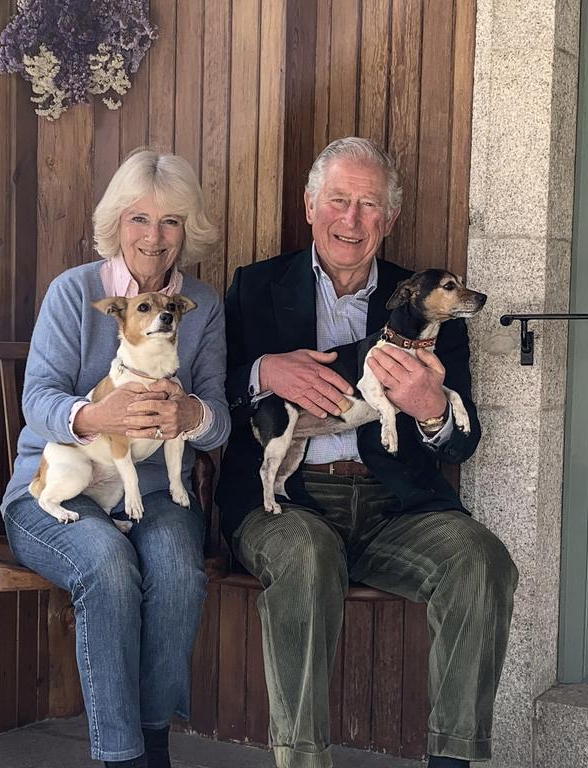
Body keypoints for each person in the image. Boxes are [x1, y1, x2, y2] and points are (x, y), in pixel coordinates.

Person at [217, 137, 518, 768]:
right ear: (309, 206)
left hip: (396, 506)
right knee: (303, 555)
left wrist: (433, 410)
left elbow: (465, 438)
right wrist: (263, 372)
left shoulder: (425, 304)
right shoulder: (255, 287)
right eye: (339, 201)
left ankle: (452, 760)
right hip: (289, 503)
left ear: (390, 218)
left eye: (369, 205)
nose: (351, 220)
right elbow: (207, 398)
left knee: (481, 562)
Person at [1, 149, 231, 768]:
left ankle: (153, 736)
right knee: (104, 565)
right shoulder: (74, 293)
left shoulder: (202, 305)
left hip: (154, 490)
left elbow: (218, 420)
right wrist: (91, 417)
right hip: (57, 485)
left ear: (189, 230)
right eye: (139, 219)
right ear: (117, 224)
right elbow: (37, 398)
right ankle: (122, 756)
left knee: (180, 568)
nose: (154, 238)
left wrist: (195, 417)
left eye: (171, 222)